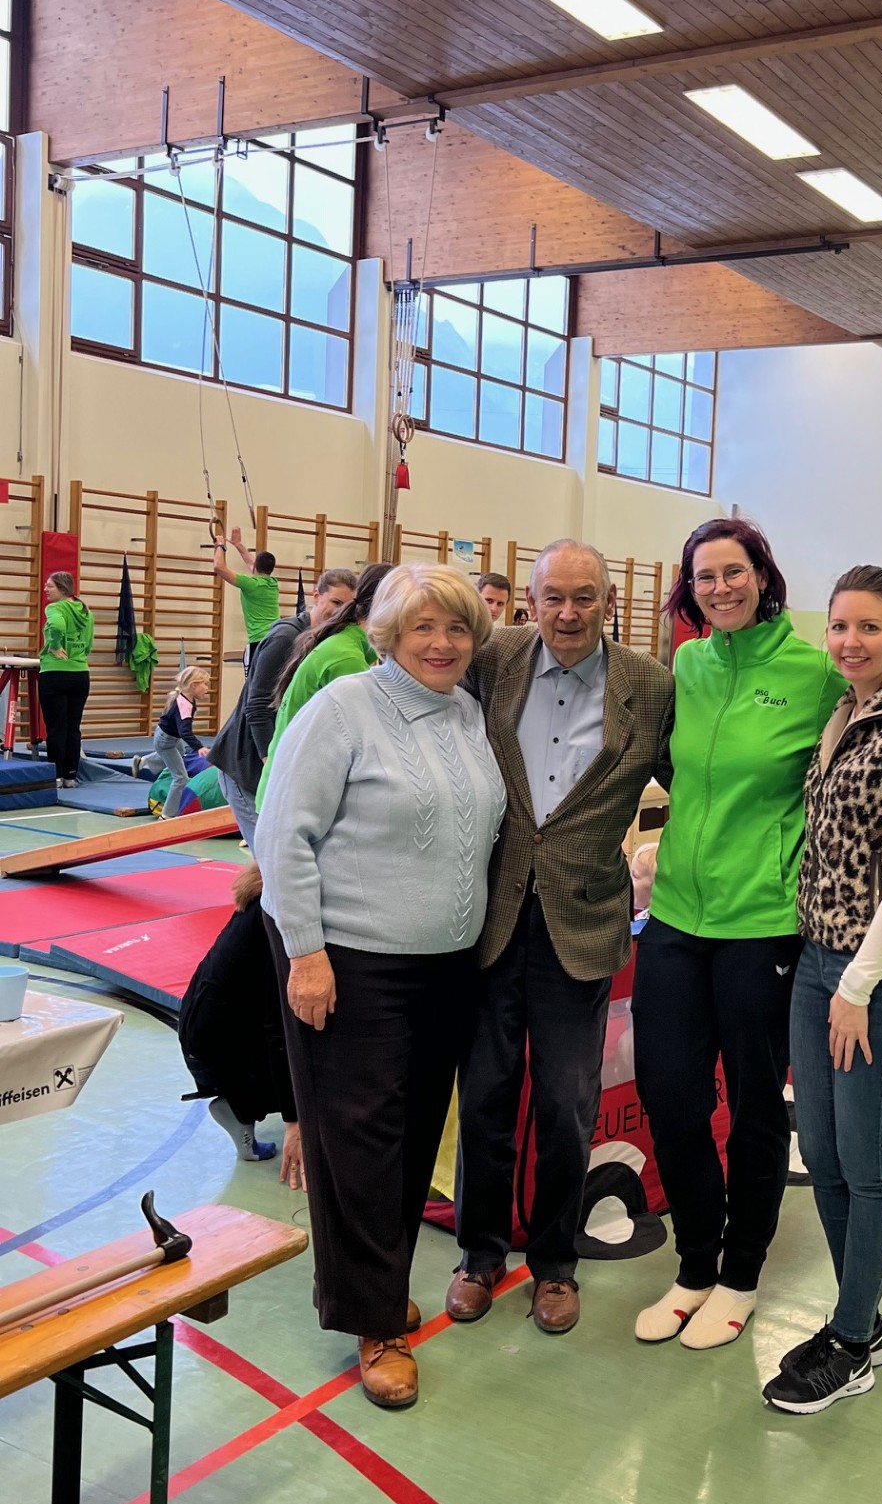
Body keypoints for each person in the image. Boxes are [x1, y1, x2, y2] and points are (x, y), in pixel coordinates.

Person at [255, 565, 505, 1410]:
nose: (442, 644)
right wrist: (306, 953)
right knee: (359, 1146)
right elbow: (283, 835)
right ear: (388, 633)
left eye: (458, 628)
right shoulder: (344, 709)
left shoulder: (466, 712)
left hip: (446, 965)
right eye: (423, 627)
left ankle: (379, 1281)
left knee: (411, 1139)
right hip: (353, 961)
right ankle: (373, 1321)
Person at [447, 540, 674, 1337]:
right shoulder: (492, 659)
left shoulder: (650, 685)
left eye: (585, 597)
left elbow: (700, 787)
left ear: (609, 602)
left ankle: (554, 1263)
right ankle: (479, 1255)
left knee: (567, 1105)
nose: (568, 613)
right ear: (530, 601)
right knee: (484, 1096)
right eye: (554, 597)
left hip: (583, 920)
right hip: (490, 917)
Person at [632, 518, 845, 1351]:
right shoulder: (688, 665)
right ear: (690, 589)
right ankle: (695, 1264)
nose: (719, 588)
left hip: (762, 922)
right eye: (704, 576)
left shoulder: (813, 673)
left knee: (756, 1103)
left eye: (733, 572)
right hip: (676, 915)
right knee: (671, 1095)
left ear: (762, 576)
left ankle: (741, 1275)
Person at [764, 566, 882, 1415]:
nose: (850, 642)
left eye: (870, 627)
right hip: (820, 961)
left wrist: (859, 984)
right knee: (825, 1152)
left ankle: (849, 1343)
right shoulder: (845, 713)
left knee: (869, 1164)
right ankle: (859, 1321)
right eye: (839, 626)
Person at [209, 567, 356, 846]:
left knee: (283, 853)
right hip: (246, 763)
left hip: (279, 762)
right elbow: (257, 705)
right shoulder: (285, 638)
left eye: (347, 607)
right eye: (335, 602)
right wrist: (271, 762)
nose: (340, 613)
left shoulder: (325, 641)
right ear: (316, 596)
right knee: (271, 853)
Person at [177, 862, 302, 1178]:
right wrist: (295, 1120)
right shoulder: (276, 917)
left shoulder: (262, 899)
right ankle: (239, 1108)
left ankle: (241, 1102)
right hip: (212, 1052)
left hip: (199, 1031)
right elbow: (277, 1027)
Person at [254, 562, 393, 809]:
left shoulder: (344, 644)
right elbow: (369, 745)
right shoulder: (346, 658)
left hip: (288, 789)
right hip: (292, 795)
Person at [37, 570, 94, 789]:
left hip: (55, 673)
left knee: (56, 728)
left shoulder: (55, 608)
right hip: (80, 674)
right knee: (73, 728)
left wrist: (54, 645)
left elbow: (57, 626)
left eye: (49, 586)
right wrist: (78, 657)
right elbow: (89, 642)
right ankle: (71, 776)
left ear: (62, 588)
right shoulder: (85, 610)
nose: (45, 589)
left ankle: (56, 776)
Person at [140, 665, 210, 818]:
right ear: (193, 685)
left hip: (168, 736)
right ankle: (167, 815)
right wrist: (199, 747)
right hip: (166, 741)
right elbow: (185, 732)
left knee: (181, 752)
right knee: (181, 778)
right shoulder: (184, 705)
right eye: (204, 684)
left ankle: (145, 762)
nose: (207, 688)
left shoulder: (184, 697)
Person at [213, 526, 280, 665]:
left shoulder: (251, 584)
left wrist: (220, 546)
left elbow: (219, 567)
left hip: (259, 641)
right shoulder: (273, 583)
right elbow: (251, 563)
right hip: (276, 637)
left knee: (254, 678)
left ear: (256, 566)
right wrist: (238, 544)